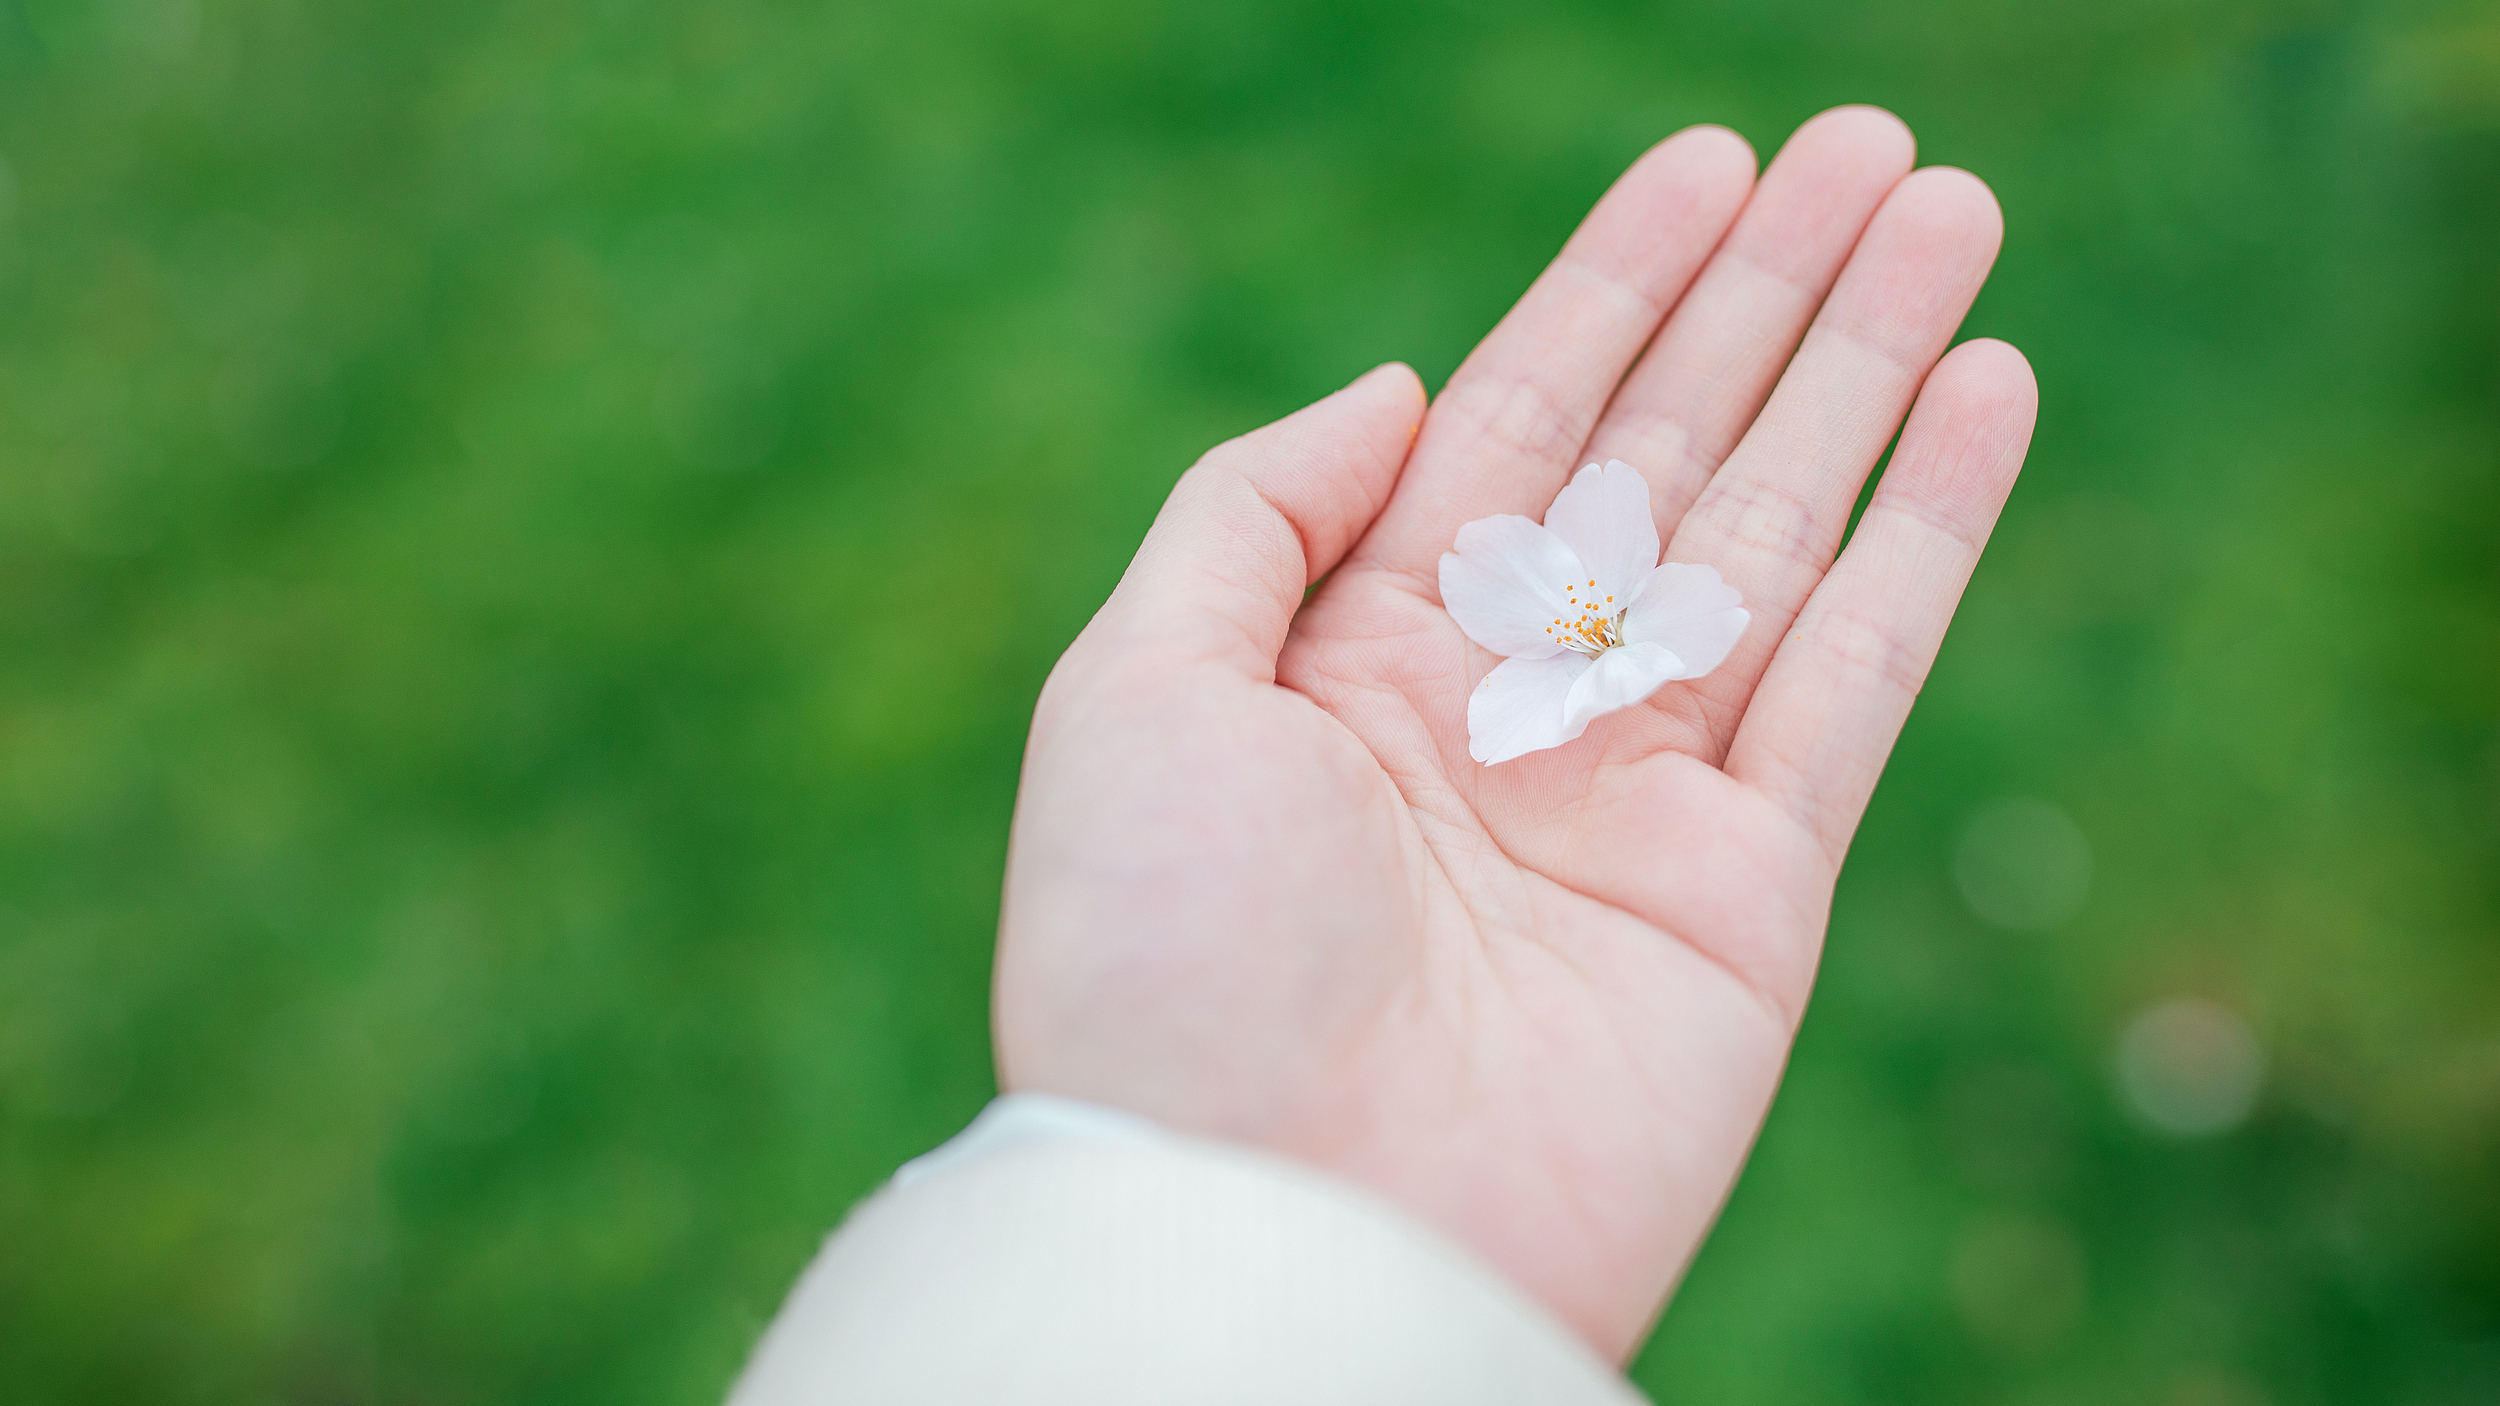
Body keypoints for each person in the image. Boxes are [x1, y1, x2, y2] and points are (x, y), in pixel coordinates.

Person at [728, 104, 2038, 1404]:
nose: (1590, 620)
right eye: (1586, 614)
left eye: (1598, 614)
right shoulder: (1540, 662)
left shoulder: (1648, 625)